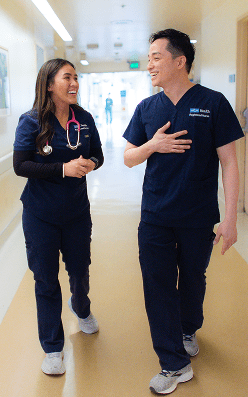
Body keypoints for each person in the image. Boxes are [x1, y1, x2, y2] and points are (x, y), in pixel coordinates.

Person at [123, 29, 244, 394]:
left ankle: (188, 327)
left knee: (193, 279)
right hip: (156, 216)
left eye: (156, 57)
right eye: (148, 59)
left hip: (197, 216)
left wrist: (231, 219)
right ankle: (173, 363)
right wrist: (153, 145)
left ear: (180, 61)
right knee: (157, 286)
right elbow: (128, 157)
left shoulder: (213, 102)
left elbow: (230, 162)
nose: (149, 65)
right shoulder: (147, 108)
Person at [13, 58, 104, 376]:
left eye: (76, 77)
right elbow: (21, 165)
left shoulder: (85, 119)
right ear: (49, 84)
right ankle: (53, 348)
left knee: (80, 270)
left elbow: (99, 155)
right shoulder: (32, 121)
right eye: (67, 77)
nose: (74, 83)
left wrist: (90, 164)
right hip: (41, 216)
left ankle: (81, 308)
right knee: (46, 280)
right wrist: (62, 169)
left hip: (77, 213)